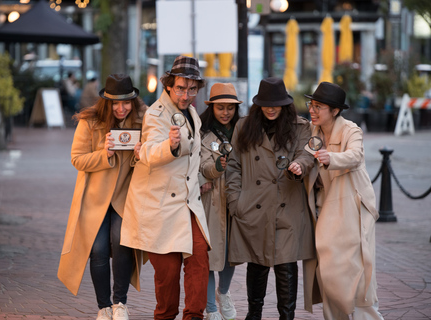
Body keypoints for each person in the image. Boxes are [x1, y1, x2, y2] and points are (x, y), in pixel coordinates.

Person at [121, 55, 211, 320]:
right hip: (159, 206)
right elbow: (147, 150)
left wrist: (202, 181)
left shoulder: (192, 113)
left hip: (187, 204)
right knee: (168, 275)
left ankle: (194, 316)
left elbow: (193, 155)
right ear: (170, 86)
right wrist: (170, 146)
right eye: (181, 88)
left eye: (192, 89)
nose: (186, 94)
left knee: (199, 260)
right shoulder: (156, 113)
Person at [57, 74, 147, 320]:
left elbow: (150, 162)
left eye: (126, 102)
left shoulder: (143, 121)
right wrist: (103, 153)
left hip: (124, 197)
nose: (121, 108)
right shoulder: (89, 122)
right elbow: (77, 158)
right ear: (106, 102)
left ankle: (120, 304)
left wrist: (141, 154)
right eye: (115, 103)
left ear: (133, 101)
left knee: (121, 242)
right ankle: (104, 306)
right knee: (97, 249)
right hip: (94, 199)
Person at [225, 77, 315, 320]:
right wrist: (236, 201)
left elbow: (307, 154)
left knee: (286, 264)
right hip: (254, 205)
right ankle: (254, 315)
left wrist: (299, 166)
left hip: (287, 203)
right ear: (258, 104)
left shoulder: (299, 127)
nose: (271, 108)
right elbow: (233, 166)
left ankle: (287, 317)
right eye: (266, 103)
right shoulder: (244, 127)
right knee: (257, 263)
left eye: (276, 103)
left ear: (286, 104)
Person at [302, 82, 384, 320]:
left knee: (358, 272)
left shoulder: (351, 130)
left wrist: (332, 158)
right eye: (311, 104)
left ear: (335, 110)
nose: (312, 110)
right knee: (328, 270)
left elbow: (356, 155)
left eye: (319, 106)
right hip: (327, 208)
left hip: (354, 207)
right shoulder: (312, 131)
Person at [199, 83, 241, 320]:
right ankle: (211, 308)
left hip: (236, 200)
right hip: (211, 201)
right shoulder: (202, 133)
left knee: (231, 254)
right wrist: (213, 170)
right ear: (212, 108)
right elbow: (197, 164)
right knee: (211, 256)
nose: (225, 112)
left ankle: (223, 293)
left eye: (230, 108)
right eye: (220, 107)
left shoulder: (243, 132)